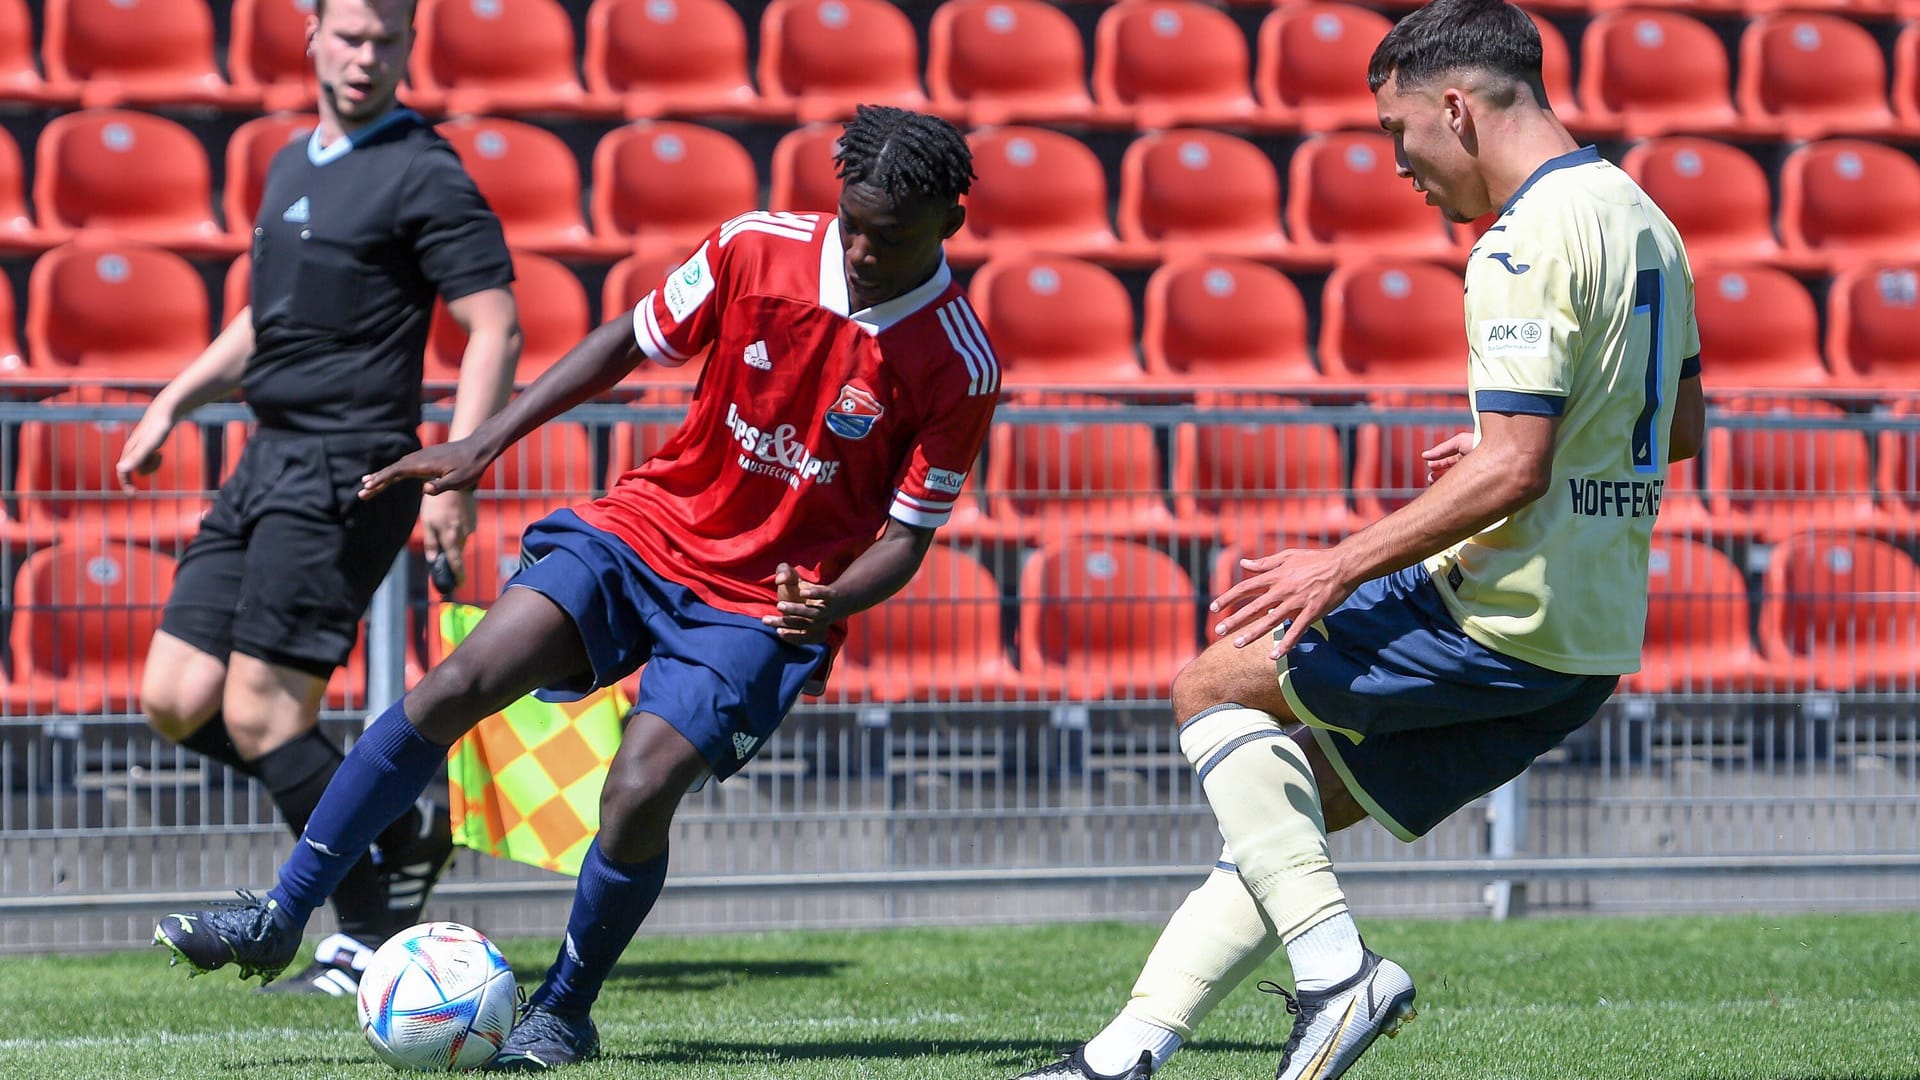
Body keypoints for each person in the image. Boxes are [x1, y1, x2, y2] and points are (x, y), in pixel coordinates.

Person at [153, 103, 997, 1070]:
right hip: (646, 529)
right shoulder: (753, 248)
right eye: (849, 220)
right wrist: (487, 438)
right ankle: (280, 914)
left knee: (637, 790)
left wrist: (834, 602)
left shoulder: (958, 363)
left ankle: (565, 1010)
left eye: (887, 236)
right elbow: (625, 342)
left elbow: (905, 539)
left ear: (949, 226)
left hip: (764, 601)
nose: (859, 248)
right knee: (453, 685)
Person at [1012, 2, 1706, 1077]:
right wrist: (1502, 442)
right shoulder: (1645, 217)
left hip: (1495, 613)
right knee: (1290, 822)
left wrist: (1338, 562)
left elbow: (1518, 469)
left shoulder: (1521, 241)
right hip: (1589, 643)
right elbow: (1678, 428)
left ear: (1457, 109)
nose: (1398, 164)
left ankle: (1342, 978)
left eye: (1396, 132)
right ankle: (1126, 1053)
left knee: (1210, 689)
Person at [122, 0, 521, 997]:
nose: (366, 55)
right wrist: (173, 400)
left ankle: (358, 937)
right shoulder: (294, 159)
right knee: (174, 698)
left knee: (261, 714)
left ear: (410, 48)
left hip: (352, 468)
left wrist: (454, 471)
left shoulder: (425, 172)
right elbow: (268, 316)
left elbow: (496, 326)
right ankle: (396, 827)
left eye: (387, 39)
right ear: (311, 37)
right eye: (349, 35)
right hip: (267, 459)